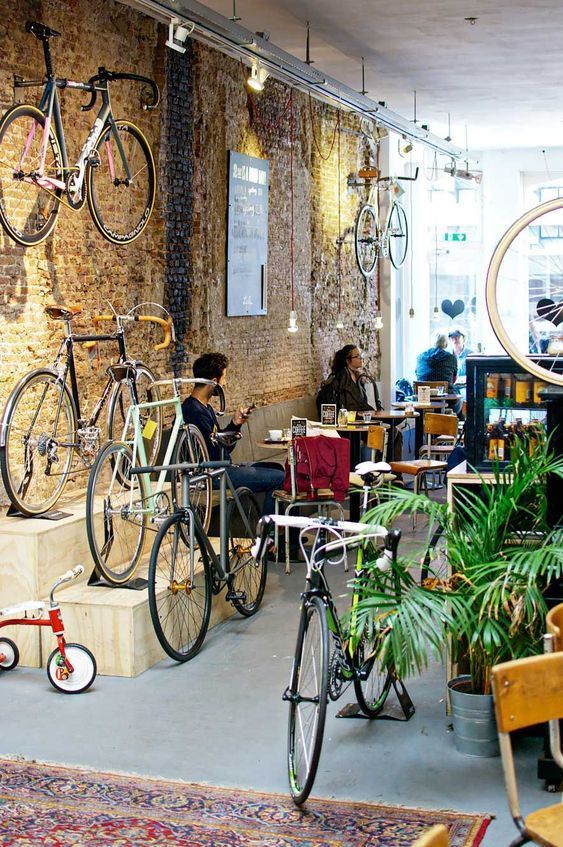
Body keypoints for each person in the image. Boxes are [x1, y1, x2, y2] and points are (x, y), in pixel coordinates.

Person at [181, 352, 285, 518]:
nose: (225, 383)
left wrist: (235, 424)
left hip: (222, 467)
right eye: (224, 378)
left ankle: (285, 532)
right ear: (214, 382)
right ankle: (269, 535)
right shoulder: (193, 411)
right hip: (212, 475)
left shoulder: (204, 408)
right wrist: (232, 435)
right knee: (281, 478)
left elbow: (219, 442)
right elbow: (216, 451)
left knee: (278, 468)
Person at [416, 331, 463, 418]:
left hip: (423, 400)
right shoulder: (451, 358)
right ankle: (454, 429)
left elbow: (418, 375)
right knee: (460, 402)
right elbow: (454, 379)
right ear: (445, 344)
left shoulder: (420, 357)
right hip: (447, 402)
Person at [329, 344, 383, 414]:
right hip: (351, 416)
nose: (361, 358)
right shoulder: (341, 376)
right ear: (348, 360)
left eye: (360, 356)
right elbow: (349, 404)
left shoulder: (357, 376)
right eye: (357, 356)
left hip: (359, 414)